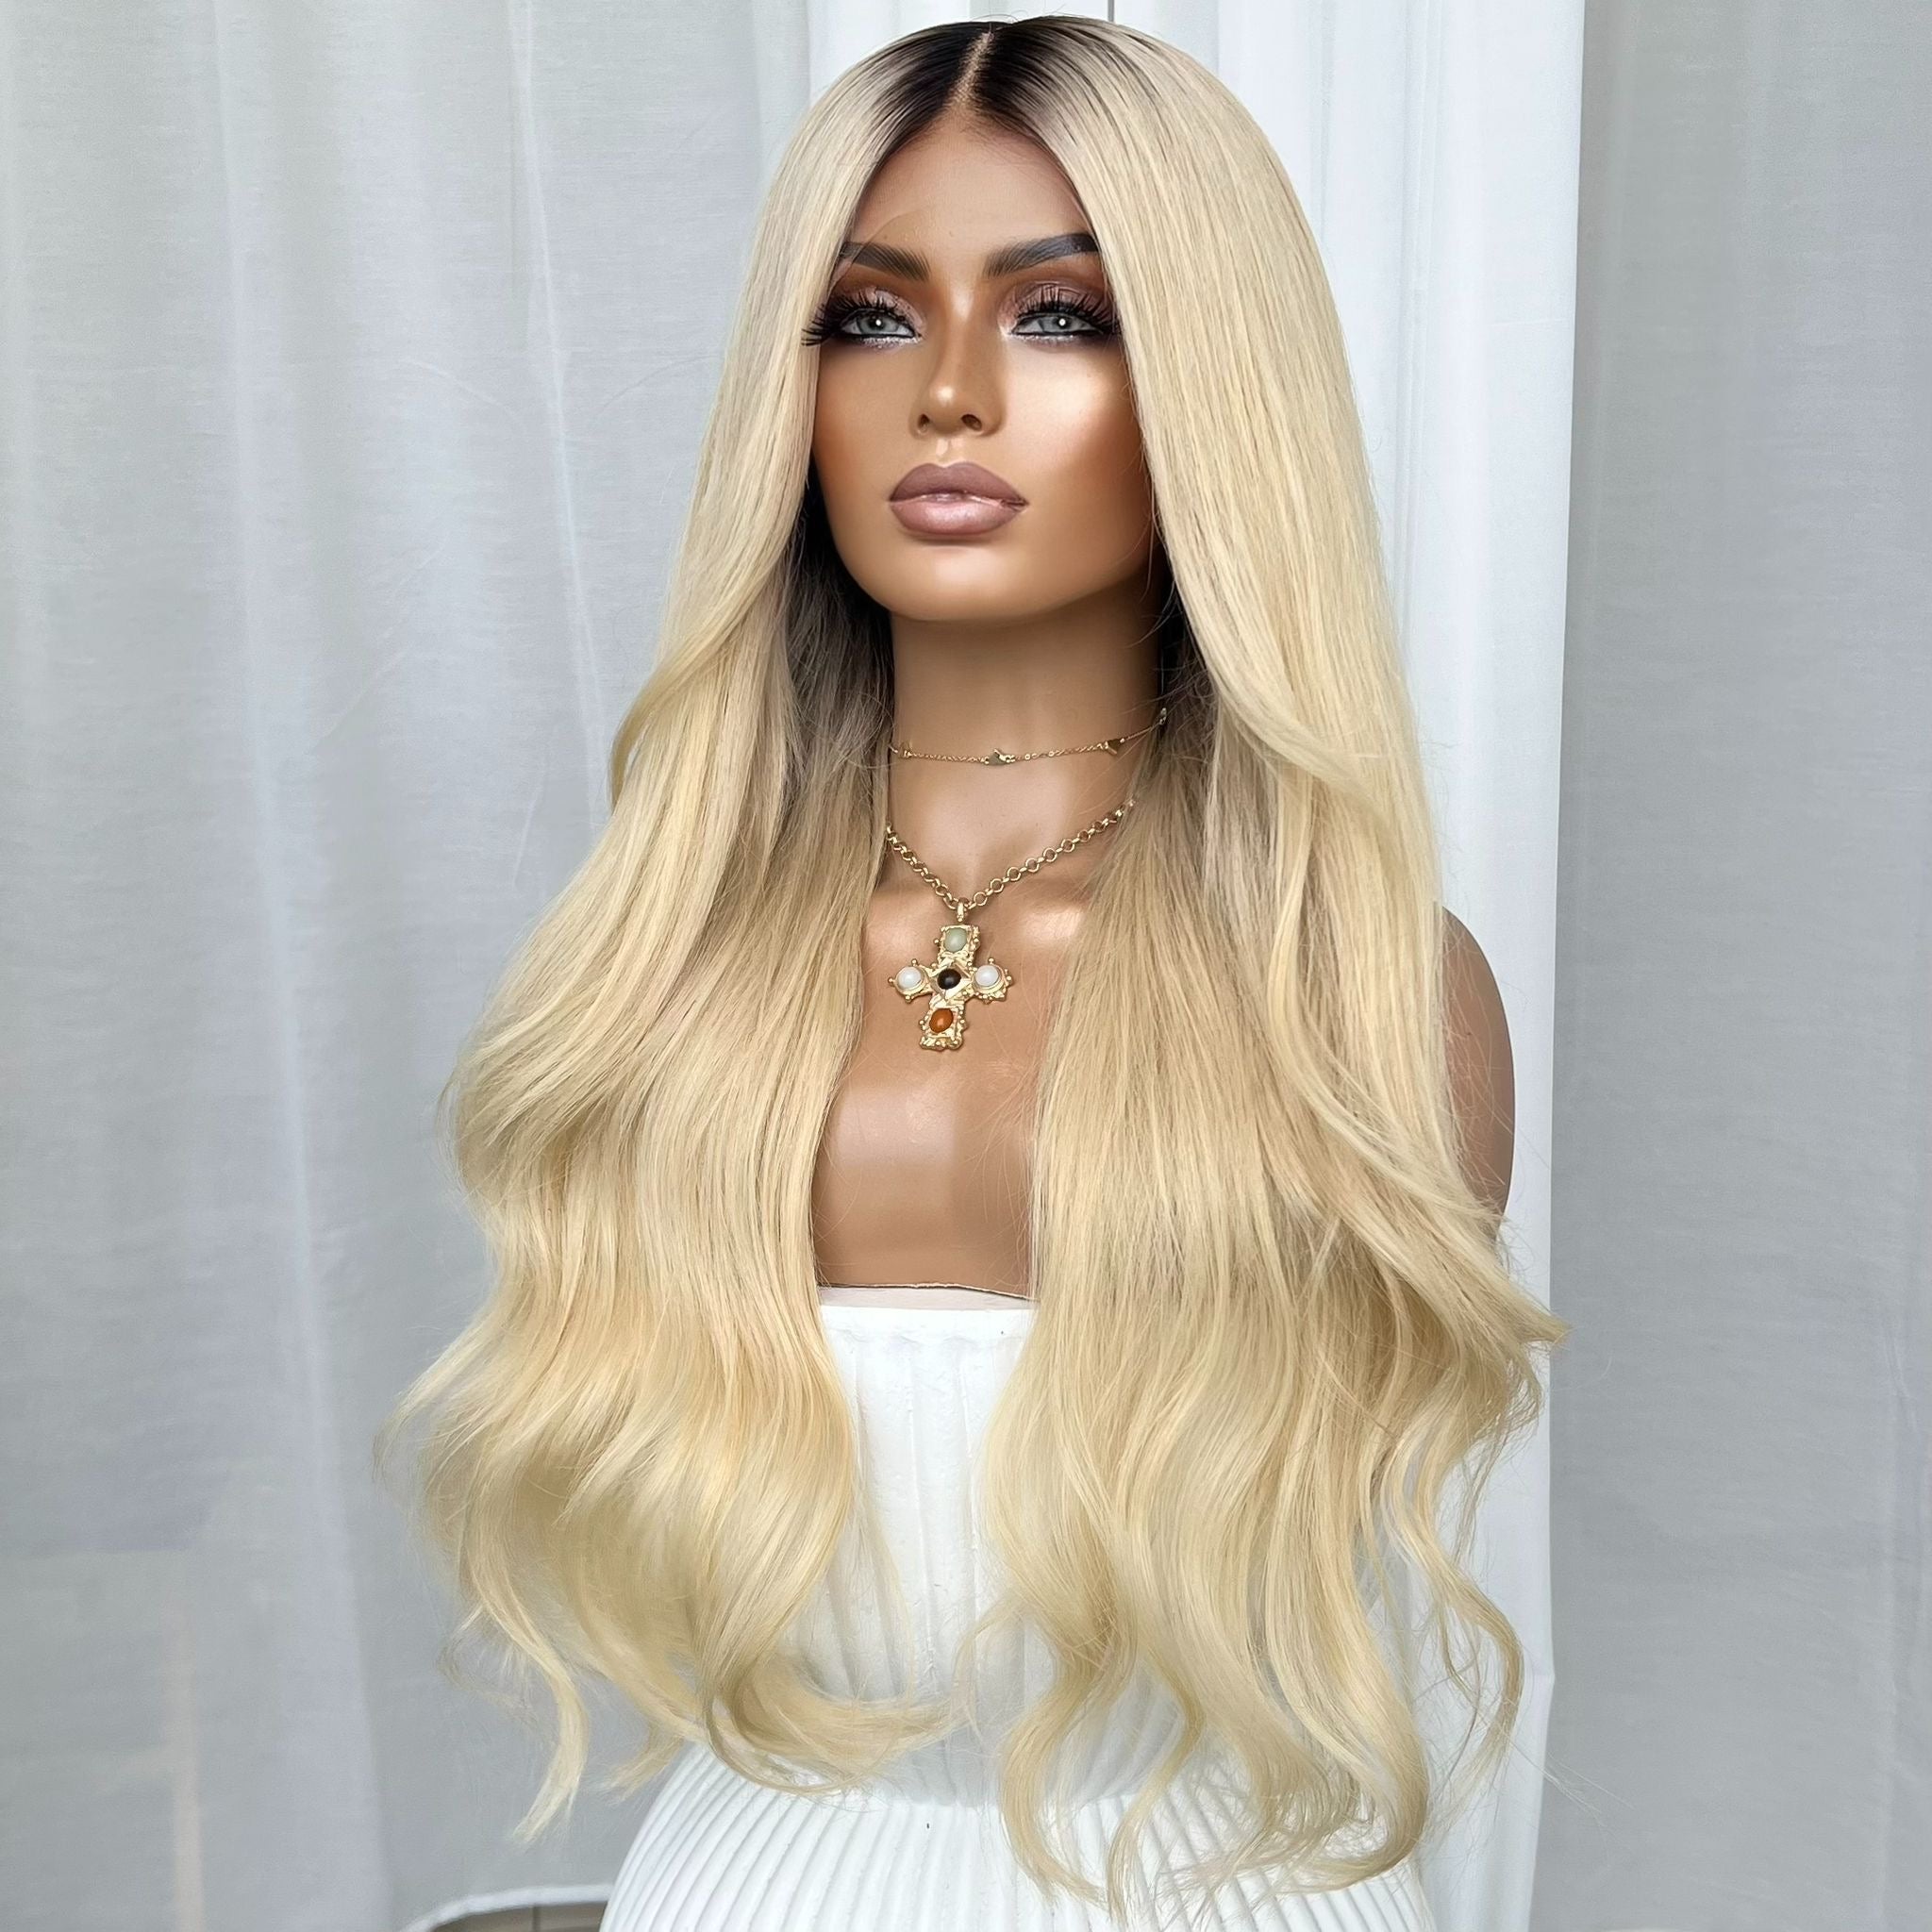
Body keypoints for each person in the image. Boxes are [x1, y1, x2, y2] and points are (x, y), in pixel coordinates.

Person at [378, 17, 1569, 1929]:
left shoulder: (1361, 1004)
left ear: (1210, 386)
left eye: (1058, 316)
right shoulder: (662, 977)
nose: (944, 393)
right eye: (867, 318)